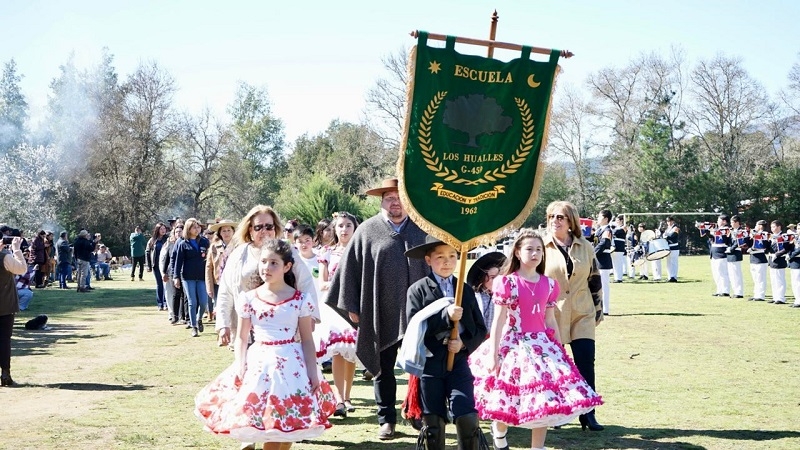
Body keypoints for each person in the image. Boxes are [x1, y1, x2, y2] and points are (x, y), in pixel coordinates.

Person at [195, 239, 336, 449]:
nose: (266, 268)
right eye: (263, 262)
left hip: (291, 366)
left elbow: (306, 339)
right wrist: (240, 364)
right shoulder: (249, 299)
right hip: (259, 365)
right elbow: (242, 337)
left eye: (273, 263)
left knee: (287, 424)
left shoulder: (300, 300)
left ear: (287, 266)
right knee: (267, 423)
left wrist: (313, 372)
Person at [470, 229, 602, 450]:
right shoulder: (506, 282)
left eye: (539, 249)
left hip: (542, 346)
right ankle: (499, 433)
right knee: (504, 397)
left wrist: (559, 349)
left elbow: (550, 320)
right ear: (518, 253)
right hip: (513, 344)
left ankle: (537, 447)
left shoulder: (549, 284)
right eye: (529, 249)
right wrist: (493, 354)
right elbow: (499, 321)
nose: (535, 254)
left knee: (544, 400)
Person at [326, 177, 428, 440]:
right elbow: (349, 270)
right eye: (390, 198)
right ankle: (387, 419)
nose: (395, 203)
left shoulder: (421, 229)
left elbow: (437, 265)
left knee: (420, 366)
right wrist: (352, 305)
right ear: (382, 201)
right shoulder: (368, 231)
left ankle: (417, 413)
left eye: (400, 198)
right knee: (382, 367)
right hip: (377, 310)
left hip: (417, 313)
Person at [398, 235, 487, 450]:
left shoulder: (464, 289)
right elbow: (413, 329)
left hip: (458, 363)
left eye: (452, 256)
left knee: (466, 414)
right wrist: (445, 316)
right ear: (428, 260)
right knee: (433, 423)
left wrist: (463, 344)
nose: (446, 261)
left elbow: (480, 329)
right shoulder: (418, 291)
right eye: (440, 256)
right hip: (430, 365)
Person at [215, 205, 319, 349]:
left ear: (275, 228)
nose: (264, 231)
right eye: (258, 227)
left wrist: (311, 315)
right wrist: (223, 324)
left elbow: (305, 282)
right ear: (250, 229)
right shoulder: (239, 254)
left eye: (269, 226)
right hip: (247, 326)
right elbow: (225, 291)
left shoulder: (288, 252)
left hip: (282, 327)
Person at [541, 201, 605, 432]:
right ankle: (558, 412)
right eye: (551, 217)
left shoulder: (585, 246)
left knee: (586, 361)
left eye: (560, 217)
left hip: (582, 312)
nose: (554, 221)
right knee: (556, 365)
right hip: (551, 313)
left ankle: (589, 413)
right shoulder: (541, 246)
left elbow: (594, 278)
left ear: (571, 222)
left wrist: (597, 310)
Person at [316, 212, 360, 418]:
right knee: (336, 351)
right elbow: (322, 282)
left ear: (354, 228)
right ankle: (339, 399)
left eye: (348, 225)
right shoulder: (327, 253)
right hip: (333, 306)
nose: (344, 229)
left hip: (353, 306)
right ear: (334, 229)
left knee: (350, 351)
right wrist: (337, 286)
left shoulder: (360, 251)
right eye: (340, 226)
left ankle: (349, 396)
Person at [174, 218, 211, 337]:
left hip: (202, 276)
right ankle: (194, 326)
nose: (197, 229)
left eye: (198, 227)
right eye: (194, 227)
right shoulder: (183, 243)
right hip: (188, 276)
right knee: (192, 302)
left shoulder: (204, 242)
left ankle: (199, 318)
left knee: (203, 302)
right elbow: (178, 261)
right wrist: (176, 277)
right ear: (188, 229)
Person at [1, 235, 27, 387]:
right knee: (4, 340)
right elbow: (21, 269)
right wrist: (16, 249)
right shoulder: (5, 257)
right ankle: (5, 373)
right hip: (4, 305)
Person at [205, 219, 236, 323]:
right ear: (220, 233)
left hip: (235, 283)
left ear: (233, 232)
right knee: (221, 309)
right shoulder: (214, 247)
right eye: (224, 231)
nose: (226, 233)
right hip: (219, 284)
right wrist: (209, 287)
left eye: (228, 230)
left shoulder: (239, 246)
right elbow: (209, 267)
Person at [467, 251, 506, 331]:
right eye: (492, 277)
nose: (497, 281)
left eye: (500, 277)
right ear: (482, 278)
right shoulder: (475, 298)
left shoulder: (507, 297)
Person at [593, 210, 613, 315]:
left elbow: (604, 243)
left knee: (604, 286)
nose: (597, 218)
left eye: (599, 216)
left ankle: (605, 309)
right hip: (598, 259)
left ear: (606, 218)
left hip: (603, 260)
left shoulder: (607, 230)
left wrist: (592, 253)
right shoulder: (599, 230)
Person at [767, 220, 790, 305]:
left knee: (779, 279)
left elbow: (786, 248)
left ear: (779, 227)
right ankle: (775, 296)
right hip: (771, 257)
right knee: (773, 279)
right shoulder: (771, 236)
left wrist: (777, 254)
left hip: (779, 258)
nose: (772, 229)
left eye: (773, 227)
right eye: (771, 227)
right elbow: (768, 247)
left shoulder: (784, 236)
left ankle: (781, 298)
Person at [147, 223, 169, 309]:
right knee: (159, 284)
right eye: (161, 229)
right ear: (157, 230)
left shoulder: (167, 239)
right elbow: (147, 252)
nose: (163, 230)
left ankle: (166, 302)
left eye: (164, 229)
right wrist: (148, 265)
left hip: (165, 265)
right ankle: (160, 303)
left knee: (166, 284)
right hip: (156, 265)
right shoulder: (152, 240)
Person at [709, 215, 731, 297]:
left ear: (724, 221)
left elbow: (724, 239)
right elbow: (712, 238)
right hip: (714, 253)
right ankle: (719, 289)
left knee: (722, 272)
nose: (717, 222)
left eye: (719, 220)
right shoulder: (717, 229)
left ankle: (725, 290)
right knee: (716, 273)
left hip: (721, 253)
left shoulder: (726, 230)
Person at [747, 220, 769, 302]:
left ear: (760, 226)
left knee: (760, 278)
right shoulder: (754, 234)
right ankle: (756, 294)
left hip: (760, 258)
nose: (755, 226)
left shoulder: (764, 234)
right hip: (753, 257)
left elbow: (762, 246)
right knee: (755, 278)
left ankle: (760, 295)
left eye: (756, 225)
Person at [726, 215, 746, 298]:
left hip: (736, 252)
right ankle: (735, 291)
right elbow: (728, 240)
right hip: (730, 252)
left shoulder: (741, 231)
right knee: (731, 273)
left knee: (736, 273)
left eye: (732, 222)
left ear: (737, 222)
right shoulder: (731, 231)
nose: (731, 224)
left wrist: (731, 248)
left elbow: (739, 242)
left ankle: (739, 292)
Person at [663, 216, 680, 283]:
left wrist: (666, 234)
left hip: (674, 247)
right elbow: (664, 236)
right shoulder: (668, 228)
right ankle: (669, 276)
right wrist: (666, 234)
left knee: (674, 263)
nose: (669, 222)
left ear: (673, 221)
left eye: (670, 221)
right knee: (668, 263)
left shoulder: (676, 227)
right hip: (668, 247)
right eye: (668, 221)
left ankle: (674, 277)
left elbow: (672, 235)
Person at [611, 215, 627, 283]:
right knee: (615, 263)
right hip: (615, 247)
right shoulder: (616, 227)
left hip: (619, 247)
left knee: (618, 263)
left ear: (621, 221)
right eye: (616, 220)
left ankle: (619, 278)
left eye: (618, 220)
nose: (616, 222)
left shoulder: (623, 227)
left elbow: (615, 232)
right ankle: (616, 277)